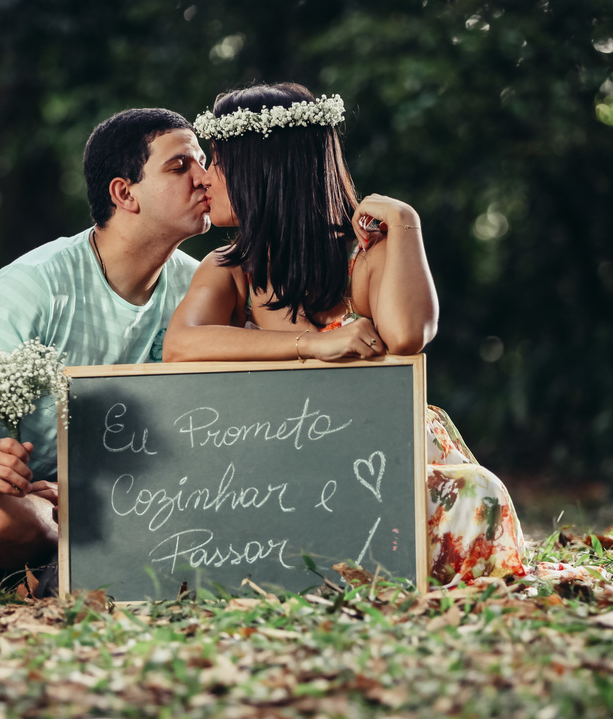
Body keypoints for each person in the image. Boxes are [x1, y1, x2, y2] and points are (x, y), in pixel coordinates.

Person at [163, 83, 528, 584]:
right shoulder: (230, 268)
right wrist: (312, 345)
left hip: (383, 453)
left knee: (475, 490)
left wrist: (406, 224)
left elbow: (406, 337)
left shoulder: (365, 253)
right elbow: (181, 345)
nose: (204, 177)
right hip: (287, 459)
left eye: (219, 161)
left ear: (261, 171)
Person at [0, 108, 211, 594]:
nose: (203, 177)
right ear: (124, 193)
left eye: (202, 162)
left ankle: (61, 570)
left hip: (90, 505)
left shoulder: (197, 288)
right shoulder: (36, 284)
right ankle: (70, 562)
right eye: (180, 166)